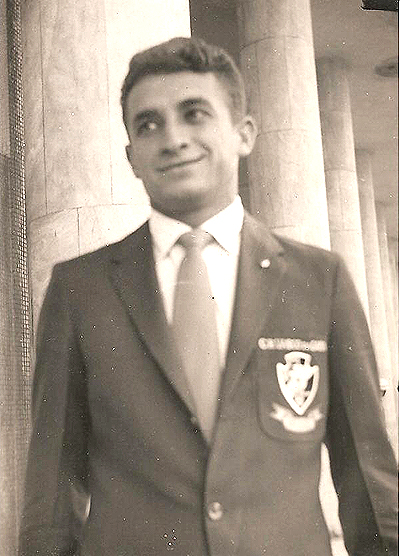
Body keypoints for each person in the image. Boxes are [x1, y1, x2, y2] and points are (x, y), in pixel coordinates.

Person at [19, 37, 398, 556]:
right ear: (131, 157)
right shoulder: (79, 290)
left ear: (244, 134)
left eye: (194, 114)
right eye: (148, 125)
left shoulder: (320, 279)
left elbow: (369, 484)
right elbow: (51, 495)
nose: (172, 139)